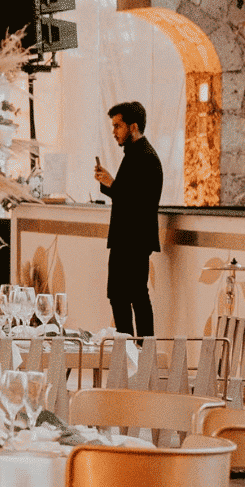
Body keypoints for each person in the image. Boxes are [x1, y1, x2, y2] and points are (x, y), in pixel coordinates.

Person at [94, 101, 164, 339]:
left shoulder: (146, 157)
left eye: (118, 126)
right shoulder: (135, 154)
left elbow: (140, 202)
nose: (114, 132)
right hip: (126, 238)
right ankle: (126, 352)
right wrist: (110, 184)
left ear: (133, 126)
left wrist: (113, 184)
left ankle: (143, 354)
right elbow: (127, 195)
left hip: (135, 240)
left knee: (136, 296)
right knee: (118, 296)